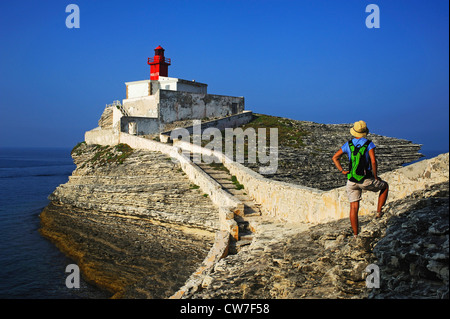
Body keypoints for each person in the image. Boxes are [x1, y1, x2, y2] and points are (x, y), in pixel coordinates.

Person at [332, 120, 389, 237]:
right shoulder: (369, 144)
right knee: (385, 186)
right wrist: (375, 175)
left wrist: (342, 171)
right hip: (365, 180)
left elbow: (335, 157)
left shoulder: (348, 144)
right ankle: (379, 212)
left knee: (353, 207)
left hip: (351, 180)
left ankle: (356, 234)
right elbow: (373, 161)